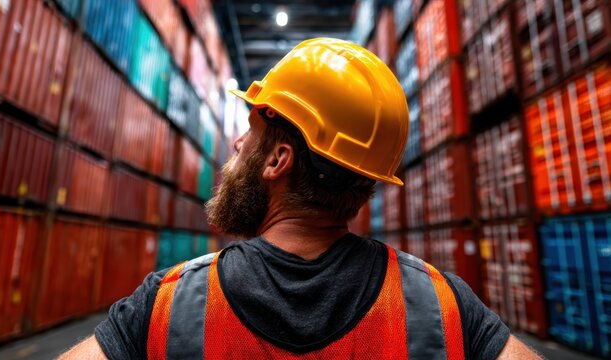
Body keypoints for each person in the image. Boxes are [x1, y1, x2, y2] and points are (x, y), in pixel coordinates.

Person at [60, 38, 540, 359]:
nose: (236, 145)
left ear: (278, 161)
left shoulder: (168, 306)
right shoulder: (442, 305)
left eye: (251, 131)